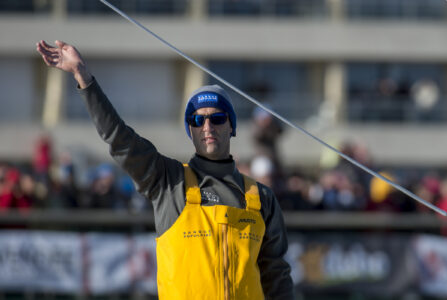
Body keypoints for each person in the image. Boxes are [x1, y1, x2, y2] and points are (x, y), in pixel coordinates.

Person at [36, 40, 293, 299]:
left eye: (217, 118)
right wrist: (83, 76)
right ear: (189, 129)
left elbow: (277, 277)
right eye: (197, 119)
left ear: (231, 126)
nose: (207, 127)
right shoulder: (169, 181)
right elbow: (119, 138)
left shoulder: (261, 198)